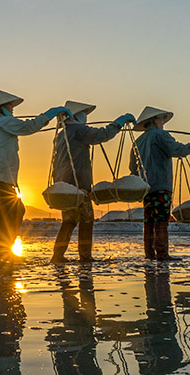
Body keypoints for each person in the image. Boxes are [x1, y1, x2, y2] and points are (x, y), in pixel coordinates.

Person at [0, 88, 71, 266]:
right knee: (4, 216)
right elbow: (28, 127)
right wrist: (49, 114)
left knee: (15, 212)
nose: (12, 109)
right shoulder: (3, 122)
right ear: (2, 107)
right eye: (10, 105)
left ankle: (4, 253)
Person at [50, 101, 134, 263]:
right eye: (84, 114)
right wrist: (119, 123)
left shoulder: (62, 134)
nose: (86, 117)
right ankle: (85, 256)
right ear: (75, 116)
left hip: (64, 186)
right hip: (79, 185)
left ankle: (58, 255)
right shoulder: (78, 130)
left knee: (69, 221)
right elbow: (102, 135)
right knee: (87, 219)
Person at [129, 106, 190, 261]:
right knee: (162, 219)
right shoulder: (160, 135)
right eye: (162, 118)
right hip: (161, 184)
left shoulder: (138, 141)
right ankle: (162, 254)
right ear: (155, 120)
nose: (163, 121)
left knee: (149, 220)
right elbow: (179, 150)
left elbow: (133, 167)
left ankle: (149, 254)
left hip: (145, 187)